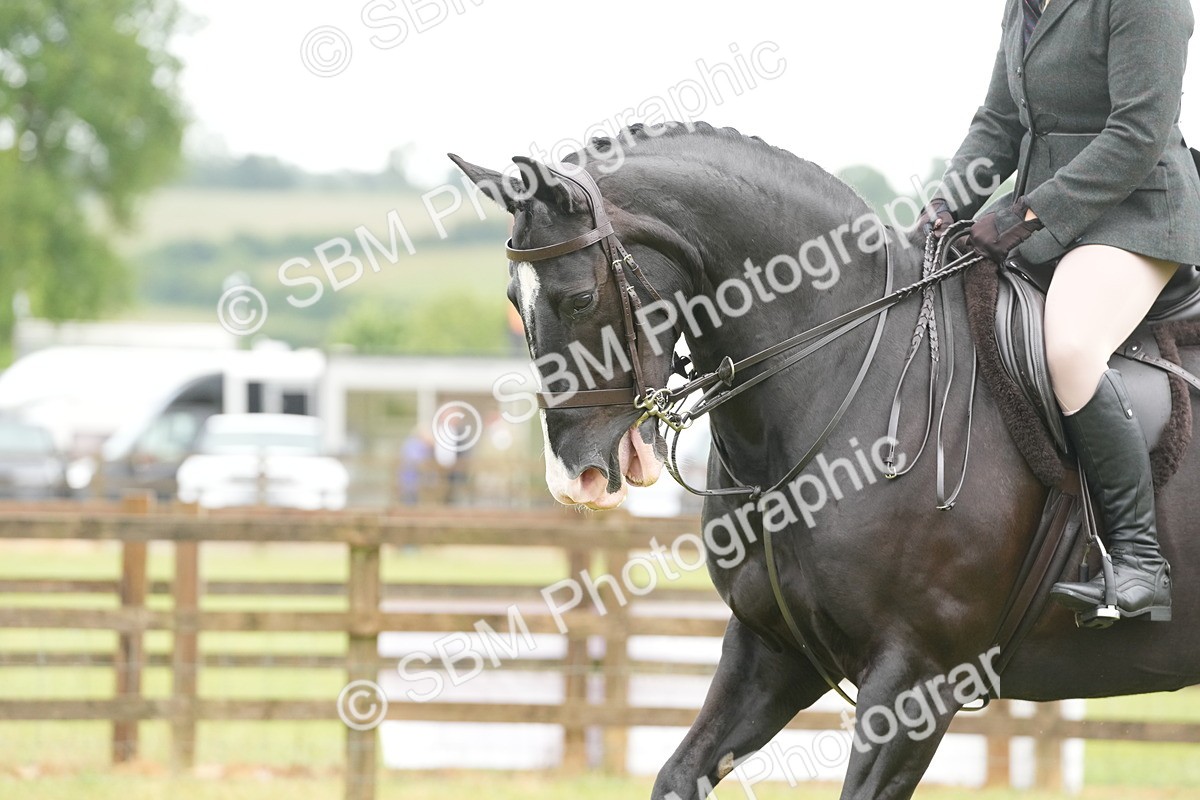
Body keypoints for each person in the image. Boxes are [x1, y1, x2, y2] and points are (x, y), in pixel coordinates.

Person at [918, 0, 1200, 622]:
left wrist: (1023, 215)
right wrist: (944, 205)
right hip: (1051, 221)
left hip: (1137, 215)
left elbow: (1138, 133)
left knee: (1069, 346)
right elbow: (998, 121)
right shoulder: (1024, 6)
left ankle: (1139, 561)